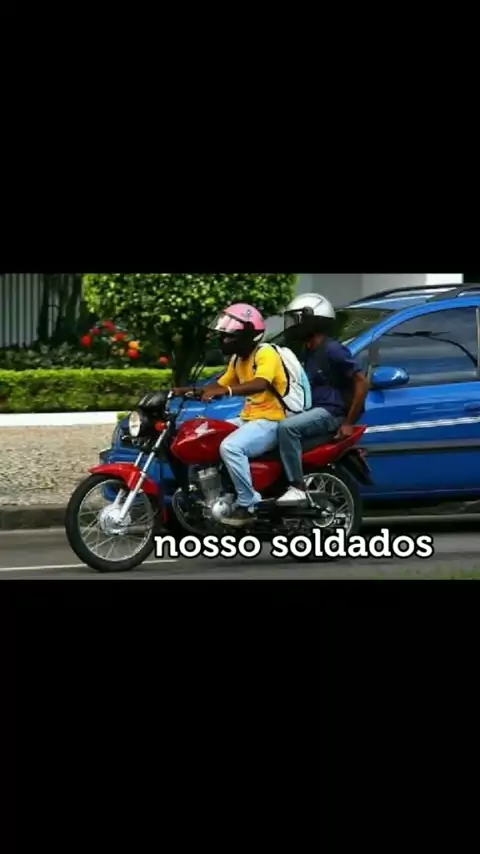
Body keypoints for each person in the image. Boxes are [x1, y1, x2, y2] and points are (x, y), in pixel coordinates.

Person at [173, 303, 288, 527]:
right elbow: (217, 386)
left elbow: (260, 384)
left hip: (271, 420)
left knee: (231, 447)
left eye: (229, 336)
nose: (224, 340)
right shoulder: (238, 360)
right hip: (249, 418)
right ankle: (222, 493)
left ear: (248, 335)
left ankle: (249, 502)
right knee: (206, 435)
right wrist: (184, 391)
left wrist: (226, 391)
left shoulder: (265, 353)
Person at [275, 293, 369, 506]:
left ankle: (297, 488)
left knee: (287, 428)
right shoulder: (309, 350)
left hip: (331, 412)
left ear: (314, 320)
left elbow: (362, 383)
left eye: (298, 319)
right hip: (315, 410)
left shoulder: (332, 349)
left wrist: (348, 422)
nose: (293, 325)